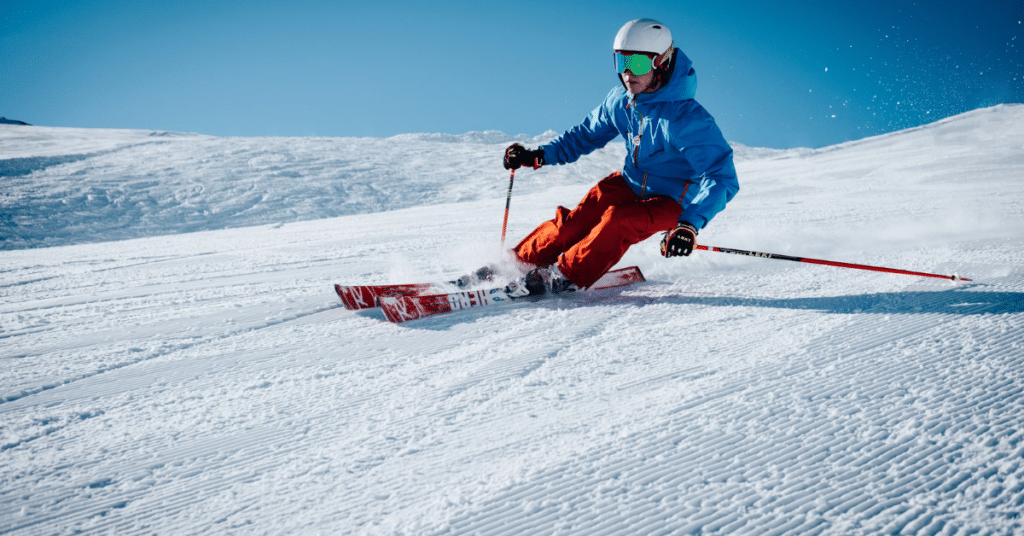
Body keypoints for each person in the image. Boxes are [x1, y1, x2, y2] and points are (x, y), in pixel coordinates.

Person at [502, 18, 740, 296]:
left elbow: (721, 177)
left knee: (620, 220)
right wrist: (537, 155)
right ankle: (515, 263)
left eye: (637, 64)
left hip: (672, 201)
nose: (627, 73)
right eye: (620, 62)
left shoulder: (687, 120)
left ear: (660, 62)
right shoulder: (621, 100)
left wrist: (689, 224)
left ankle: (563, 276)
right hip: (628, 183)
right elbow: (583, 136)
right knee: (574, 224)